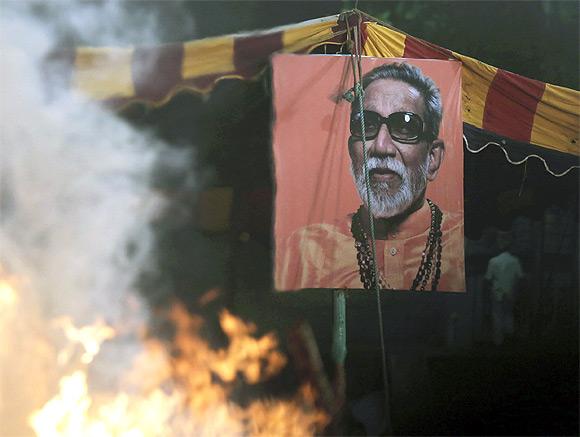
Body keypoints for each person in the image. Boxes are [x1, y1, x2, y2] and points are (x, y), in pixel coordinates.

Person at [276, 62, 464, 291]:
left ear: (432, 158)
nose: (381, 147)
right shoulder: (302, 252)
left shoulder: (462, 243)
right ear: (351, 149)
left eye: (405, 127)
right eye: (367, 125)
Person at [484, 231, 524, 345]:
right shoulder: (515, 261)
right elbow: (520, 278)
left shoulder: (493, 261)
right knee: (509, 314)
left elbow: (488, 278)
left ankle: (498, 341)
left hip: (497, 291)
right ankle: (509, 338)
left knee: (497, 315)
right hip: (510, 291)